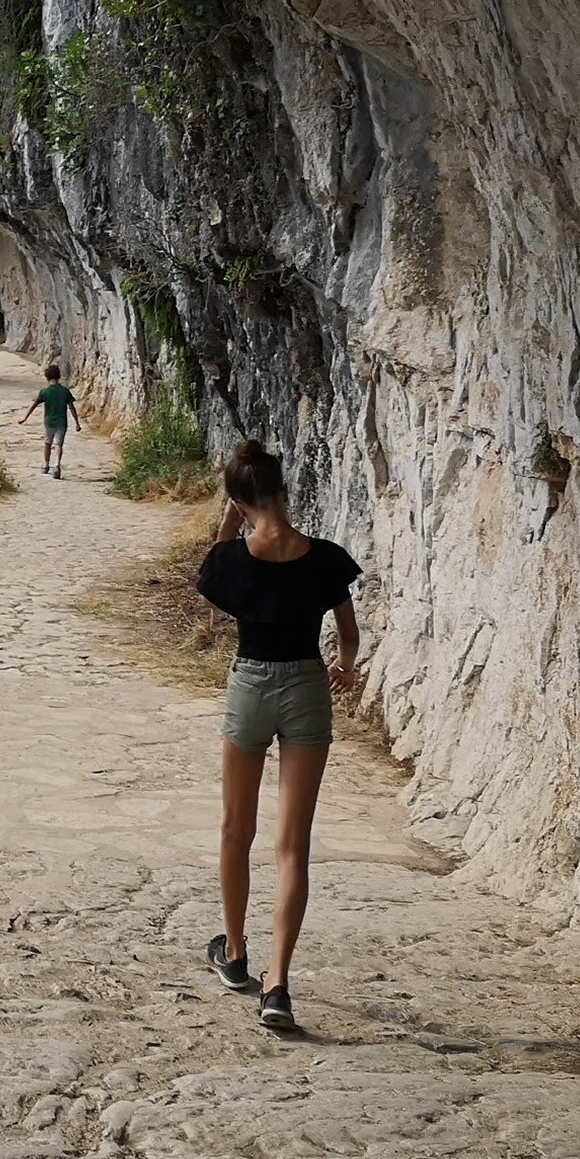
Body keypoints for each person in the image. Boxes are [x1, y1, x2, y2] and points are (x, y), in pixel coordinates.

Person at [192, 439, 360, 1032]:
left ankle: (235, 955)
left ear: (239, 503)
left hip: (252, 688)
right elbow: (347, 630)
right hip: (309, 688)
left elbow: (213, 575)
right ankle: (279, 985)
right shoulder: (327, 558)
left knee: (236, 831)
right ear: (286, 493)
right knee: (294, 846)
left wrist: (229, 520)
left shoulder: (235, 557)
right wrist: (345, 665)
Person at [10, 361, 77, 476]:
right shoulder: (65, 391)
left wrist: (25, 418)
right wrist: (77, 423)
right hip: (62, 422)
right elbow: (72, 407)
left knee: (47, 443)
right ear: (59, 376)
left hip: (49, 422)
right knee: (58, 444)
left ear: (47, 377)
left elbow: (34, 405)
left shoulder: (45, 392)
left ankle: (46, 465)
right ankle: (56, 464)